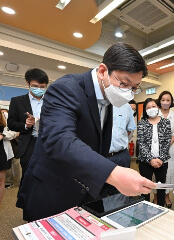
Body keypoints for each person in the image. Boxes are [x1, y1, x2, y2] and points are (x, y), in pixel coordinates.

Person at [16, 42, 156, 221]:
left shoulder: (109, 96)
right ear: (103, 71)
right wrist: (112, 173)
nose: (129, 93)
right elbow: (59, 140)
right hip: (54, 189)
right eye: (124, 83)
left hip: (85, 190)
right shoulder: (66, 88)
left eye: (134, 88)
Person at [7, 68, 49, 175]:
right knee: (28, 178)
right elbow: (11, 124)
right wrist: (25, 125)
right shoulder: (17, 101)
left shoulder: (51, 101)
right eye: (35, 86)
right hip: (29, 145)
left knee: (48, 177)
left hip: (48, 144)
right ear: (27, 83)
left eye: (42, 87)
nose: (38, 89)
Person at [137, 98, 171, 207]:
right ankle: (145, 210)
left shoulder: (166, 122)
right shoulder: (142, 123)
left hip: (162, 161)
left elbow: (167, 142)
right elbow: (141, 143)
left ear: (158, 107)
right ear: (145, 110)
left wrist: (160, 159)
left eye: (153, 106)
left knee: (160, 188)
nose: (151, 109)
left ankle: (160, 208)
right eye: (148, 107)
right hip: (145, 162)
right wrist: (151, 159)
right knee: (145, 188)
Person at [157, 91, 174, 208]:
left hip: (170, 149)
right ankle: (156, 197)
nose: (165, 102)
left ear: (171, 102)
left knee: (169, 173)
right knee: (158, 173)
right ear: (160, 101)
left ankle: (166, 197)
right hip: (155, 149)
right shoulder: (155, 113)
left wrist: (166, 147)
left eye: (168, 100)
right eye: (163, 100)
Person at [108, 103, 136, 168]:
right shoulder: (96, 102)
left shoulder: (126, 106)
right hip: (100, 155)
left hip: (121, 156)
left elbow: (129, 129)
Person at [2, 109, 21, 188]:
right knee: (7, 165)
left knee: (17, 164)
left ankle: (20, 181)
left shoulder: (13, 121)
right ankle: (9, 181)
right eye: (2, 113)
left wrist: (3, 135)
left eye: (5, 113)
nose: (3, 114)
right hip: (5, 146)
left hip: (15, 145)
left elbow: (16, 133)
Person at [0, 111, 10, 203]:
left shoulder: (3, 120)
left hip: (1, 152)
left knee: (1, 181)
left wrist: (2, 135)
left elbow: (15, 131)